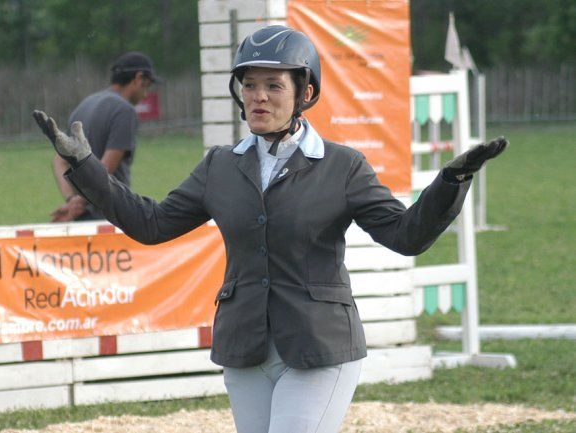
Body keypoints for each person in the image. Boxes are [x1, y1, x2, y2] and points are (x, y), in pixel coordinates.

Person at [33, 25, 507, 433]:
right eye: (250, 85)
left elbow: (406, 236)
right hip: (246, 348)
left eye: (273, 86)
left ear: (304, 93)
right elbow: (152, 224)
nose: (258, 96)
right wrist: (85, 166)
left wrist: (451, 181)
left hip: (320, 347)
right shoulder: (219, 165)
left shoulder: (343, 166)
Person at [50, 51, 159, 221]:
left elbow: (59, 160)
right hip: (110, 217)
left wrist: (72, 200)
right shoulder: (125, 111)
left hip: (81, 216)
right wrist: (80, 202)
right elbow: (104, 170)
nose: (145, 94)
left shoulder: (84, 105)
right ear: (138, 78)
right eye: (147, 86)